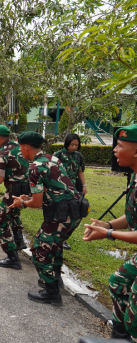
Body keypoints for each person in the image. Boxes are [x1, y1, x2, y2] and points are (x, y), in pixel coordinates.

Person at [9, 131, 81, 306]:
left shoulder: (35, 167)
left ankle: (52, 292)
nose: (20, 150)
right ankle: (56, 279)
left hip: (61, 215)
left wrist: (22, 204)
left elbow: (37, 203)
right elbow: (54, 187)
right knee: (54, 246)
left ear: (26, 148)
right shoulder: (51, 159)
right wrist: (28, 198)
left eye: (20, 147)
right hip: (74, 211)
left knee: (39, 250)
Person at [82, 124, 137, 339]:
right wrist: (110, 225)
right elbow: (134, 216)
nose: (114, 150)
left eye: (120, 146)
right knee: (118, 281)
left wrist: (107, 235)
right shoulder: (134, 176)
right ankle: (120, 335)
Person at [0, 125, 29, 270]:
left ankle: (12, 258)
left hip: (14, 191)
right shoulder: (18, 147)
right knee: (13, 213)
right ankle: (19, 240)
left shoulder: (2, 153)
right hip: (28, 190)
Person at [54, 133, 87, 251]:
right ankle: (57, 238)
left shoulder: (78, 156)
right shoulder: (58, 154)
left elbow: (80, 172)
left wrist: (84, 185)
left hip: (73, 189)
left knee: (75, 214)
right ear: (67, 143)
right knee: (61, 214)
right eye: (72, 144)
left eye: (76, 145)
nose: (74, 147)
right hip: (60, 189)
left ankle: (64, 238)